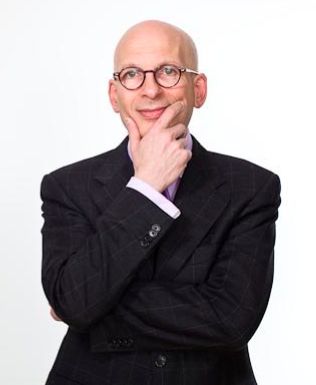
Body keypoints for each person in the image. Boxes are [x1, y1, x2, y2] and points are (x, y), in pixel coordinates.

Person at [41, 20, 281, 385]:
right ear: (114, 94)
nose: (150, 89)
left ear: (198, 89)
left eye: (169, 71)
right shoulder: (67, 187)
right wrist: (147, 188)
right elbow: (75, 300)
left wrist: (91, 307)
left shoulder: (251, 188)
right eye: (132, 74)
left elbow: (231, 321)